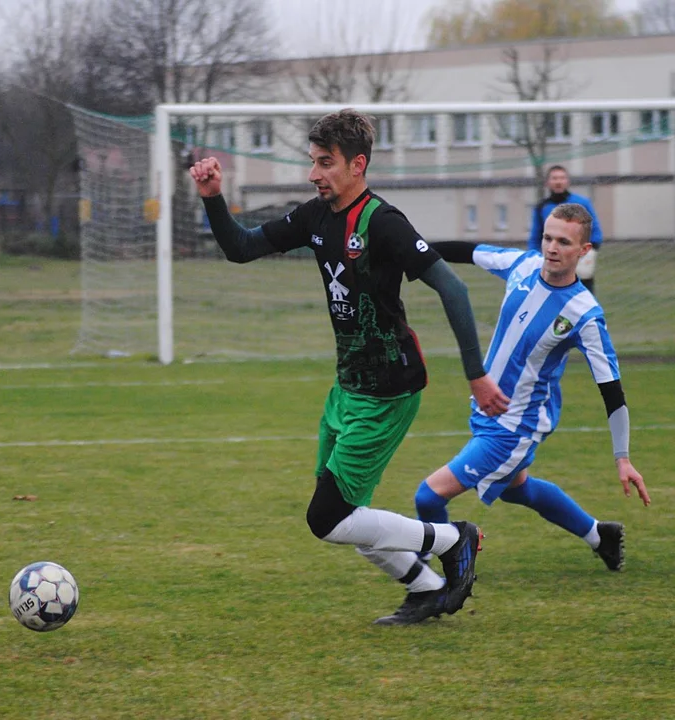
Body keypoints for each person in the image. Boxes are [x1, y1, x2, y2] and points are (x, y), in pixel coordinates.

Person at [188, 108, 510, 625]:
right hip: (349, 387)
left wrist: (476, 372)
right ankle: (427, 589)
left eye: (325, 163)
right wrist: (212, 198)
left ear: (357, 164)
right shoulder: (315, 216)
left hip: (389, 391)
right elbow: (241, 248)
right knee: (346, 513)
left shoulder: (384, 223)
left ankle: (454, 540)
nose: (314, 174)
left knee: (329, 518)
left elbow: (454, 287)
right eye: (312, 162)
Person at [416, 203, 650, 574]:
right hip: (487, 409)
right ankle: (598, 535)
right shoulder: (522, 265)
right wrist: (408, 249)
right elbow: (466, 251)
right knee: (517, 489)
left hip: (515, 426)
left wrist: (622, 457)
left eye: (564, 242)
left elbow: (612, 391)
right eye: (548, 237)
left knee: (428, 496)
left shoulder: (584, 314)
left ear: (583, 251)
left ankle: (433, 578)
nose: (552, 248)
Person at [529, 165, 603, 295]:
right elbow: (535, 237)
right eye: (554, 178)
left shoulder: (582, 203)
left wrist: (588, 252)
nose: (558, 181)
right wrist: (536, 257)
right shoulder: (542, 207)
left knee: (583, 296)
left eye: (562, 178)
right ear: (548, 182)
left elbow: (595, 230)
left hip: (578, 260)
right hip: (553, 262)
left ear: (567, 181)